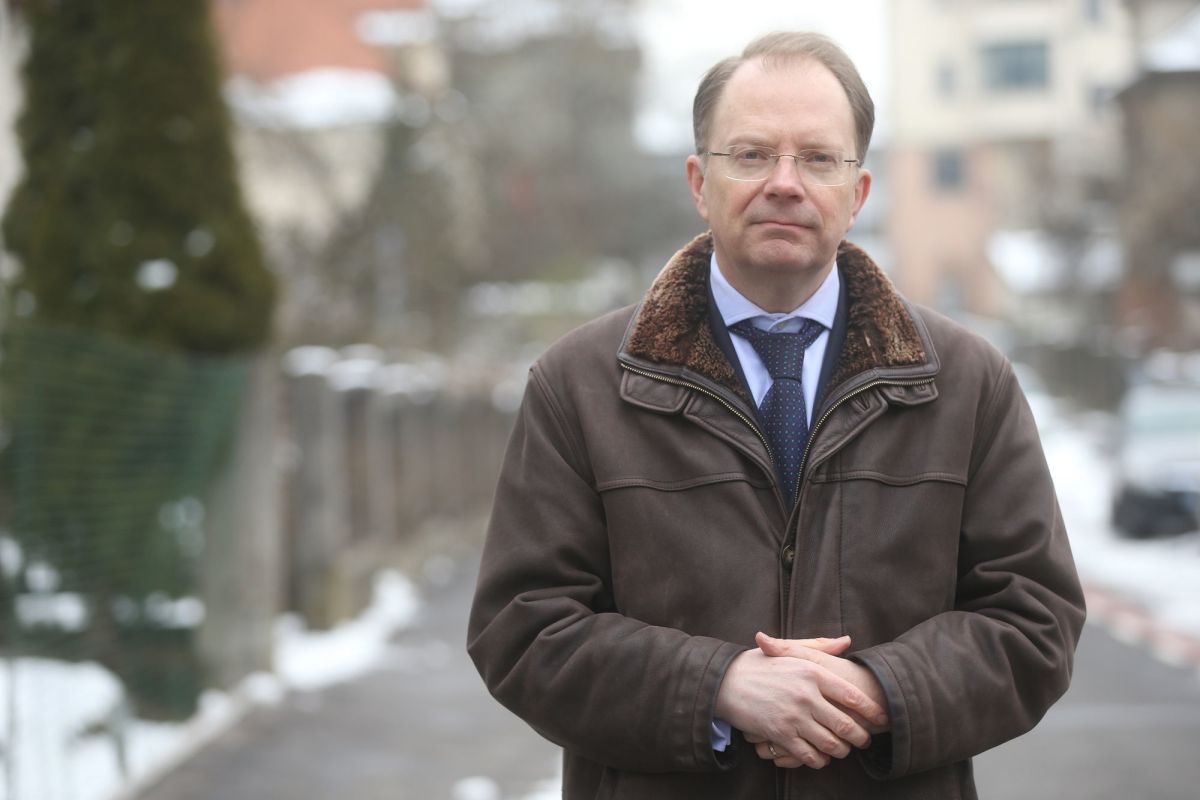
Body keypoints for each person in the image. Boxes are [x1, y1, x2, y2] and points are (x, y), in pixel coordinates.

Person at [467, 31, 1085, 799]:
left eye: (819, 159)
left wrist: (879, 690)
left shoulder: (965, 383)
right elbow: (522, 629)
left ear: (859, 194)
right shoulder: (582, 385)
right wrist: (718, 687)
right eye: (752, 154)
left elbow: (1034, 620)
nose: (785, 183)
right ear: (699, 182)